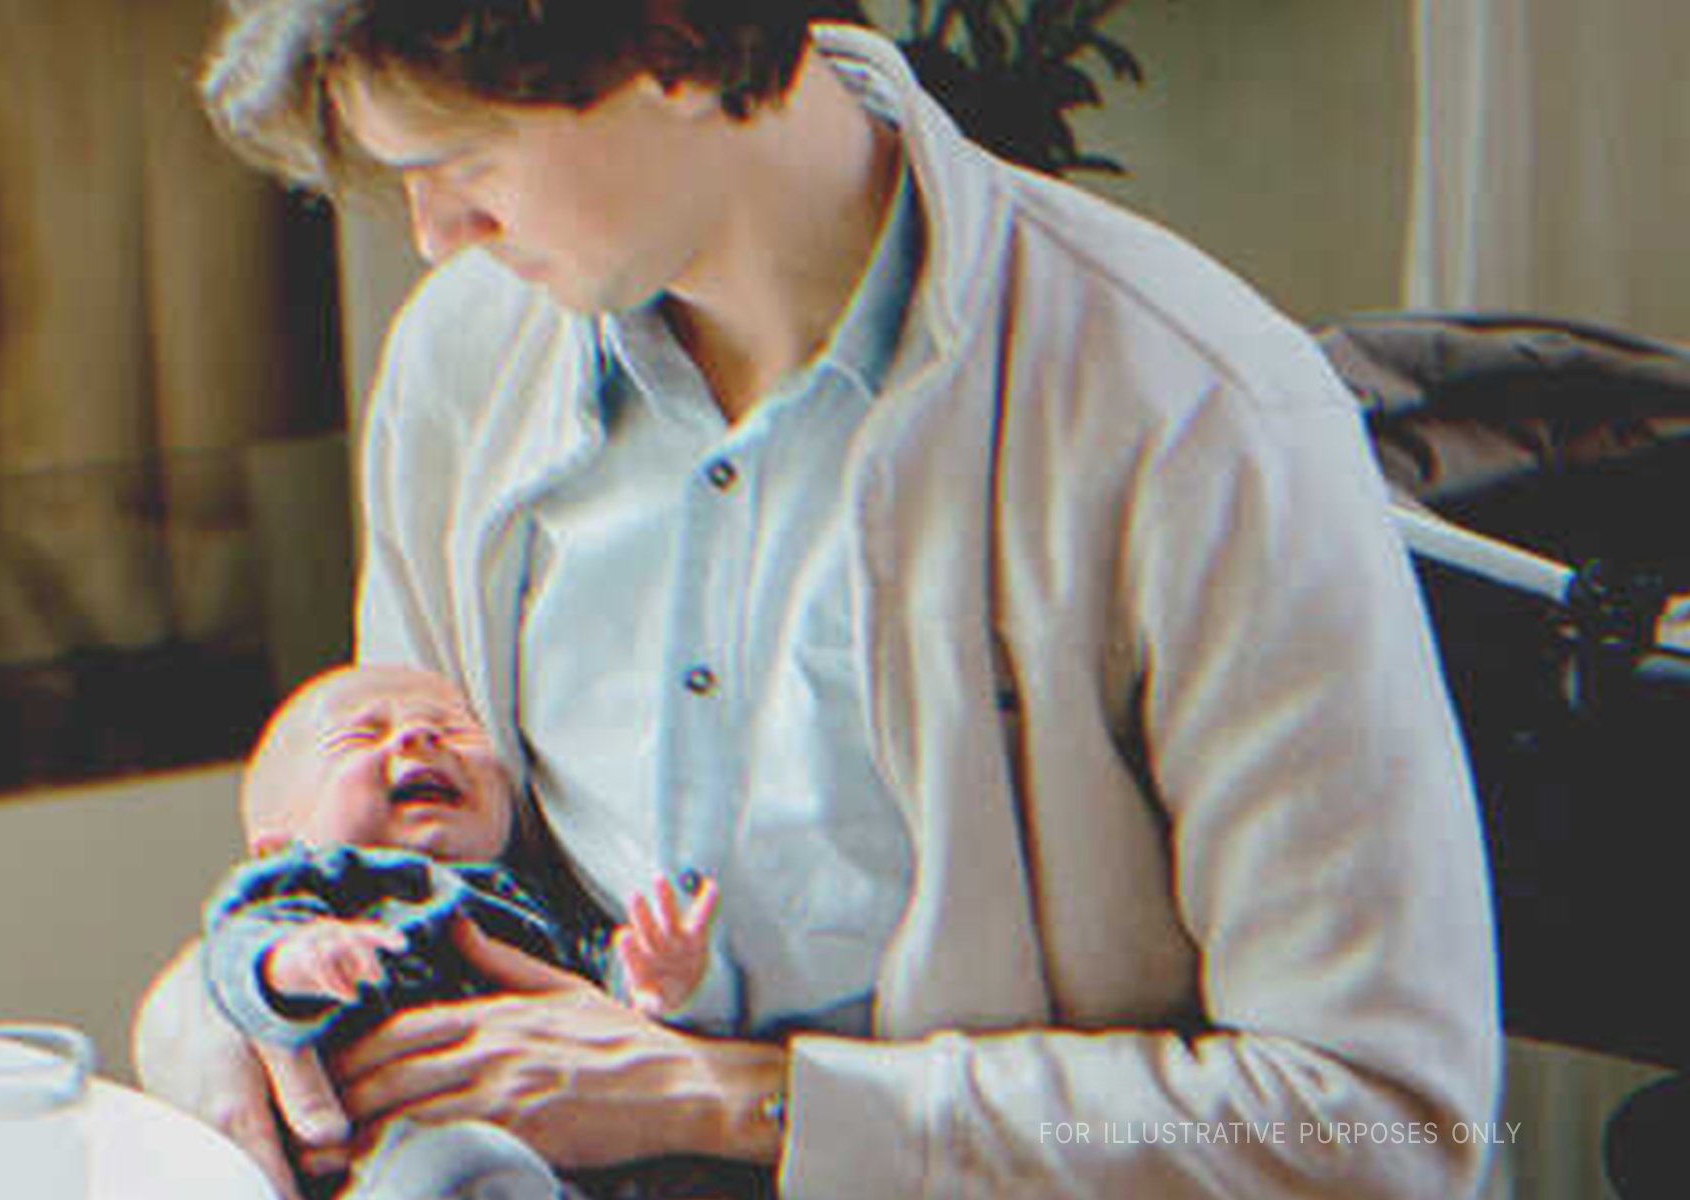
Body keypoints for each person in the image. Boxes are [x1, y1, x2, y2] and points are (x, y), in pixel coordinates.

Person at [136, 4, 1501, 1197]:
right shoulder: (468, 361)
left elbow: (1376, 1124)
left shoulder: (1196, 418)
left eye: (464, 164)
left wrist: (730, 1099)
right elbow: (400, 875)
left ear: (666, 40)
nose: (438, 238)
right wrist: (216, 1016)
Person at [203, 662, 742, 1198]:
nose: (421, 736)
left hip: (574, 1153)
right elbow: (234, 954)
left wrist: (657, 982)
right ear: (276, 844)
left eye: (455, 730)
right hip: (394, 1150)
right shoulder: (313, 889)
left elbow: (610, 997)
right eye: (363, 734)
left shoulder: (536, 904)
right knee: (446, 1162)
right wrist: (292, 960)